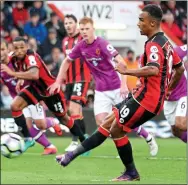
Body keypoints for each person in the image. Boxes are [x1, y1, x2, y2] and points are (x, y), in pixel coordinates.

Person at [52, 5, 184, 181]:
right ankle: (71, 156)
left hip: (146, 100)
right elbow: (180, 68)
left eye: (141, 20)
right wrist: (166, 90)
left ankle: (130, 172)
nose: (138, 24)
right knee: (107, 124)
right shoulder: (165, 42)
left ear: (152, 23)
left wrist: (127, 71)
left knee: (114, 129)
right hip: (141, 96)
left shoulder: (154, 45)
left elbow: (153, 69)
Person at [50, 16, 158, 156]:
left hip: (116, 88)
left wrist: (123, 85)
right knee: (103, 123)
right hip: (101, 91)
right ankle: (122, 147)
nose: (84, 32)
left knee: (125, 120)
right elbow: (66, 61)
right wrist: (58, 81)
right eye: (82, 29)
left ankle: (148, 137)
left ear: (93, 29)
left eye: (87, 29)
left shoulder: (102, 44)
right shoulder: (80, 46)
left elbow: (122, 63)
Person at [1, 36, 87, 147]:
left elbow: (34, 74)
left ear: (27, 47)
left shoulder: (31, 56)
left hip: (50, 90)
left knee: (64, 118)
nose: (19, 51)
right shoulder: (14, 58)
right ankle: (28, 138)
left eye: (22, 47)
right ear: (12, 48)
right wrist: (21, 78)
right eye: (16, 48)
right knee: (15, 106)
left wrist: (13, 74)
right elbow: (16, 65)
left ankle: (84, 141)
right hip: (35, 88)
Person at [0, 39, 62, 154]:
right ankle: (49, 146)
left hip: (31, 95)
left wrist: (21, 78)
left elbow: (31, 71)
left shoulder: (15, 59)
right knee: (28, 125)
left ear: (8, 50)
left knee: (41, 124)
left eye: (2, 49)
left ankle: (53, 122)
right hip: (18, 99)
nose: (1, 53)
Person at [62, 14, 91, 152]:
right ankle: (86, 142)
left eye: (70, 22)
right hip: (69, 81)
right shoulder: (65, 41)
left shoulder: (83, 38)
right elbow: (66, 62)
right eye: (65, 23)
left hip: (82, 78)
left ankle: (75, 142)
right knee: (75, 112)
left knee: (73, 109)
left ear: (76, 24)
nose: (68, 25)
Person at [164, 45, 187, 143]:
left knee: (180, 124)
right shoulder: (150, 62)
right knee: (175, 131)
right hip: (169, 99)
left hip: (183, 93)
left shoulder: (177, 52)